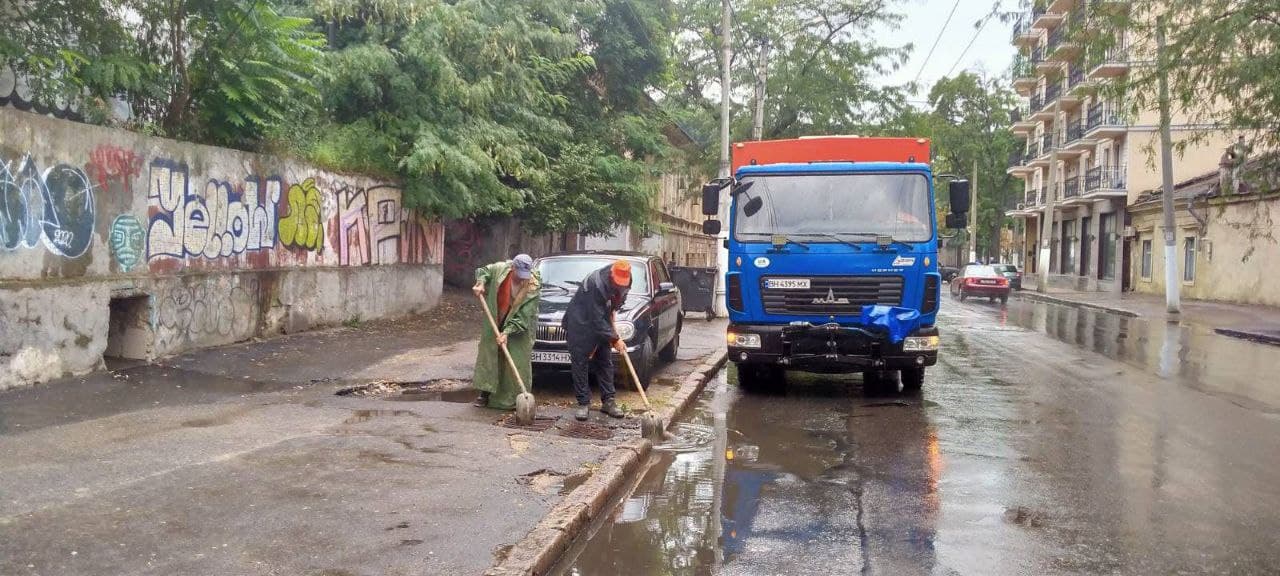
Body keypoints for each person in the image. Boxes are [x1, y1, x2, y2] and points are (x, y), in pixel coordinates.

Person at [564, 260, 631, 421]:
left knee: (605, 360)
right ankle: (583, 403)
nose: (621, 285)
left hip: (602, 318)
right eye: (618, 283)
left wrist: (613, 311)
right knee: (580, 362)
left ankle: (608, 401)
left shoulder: (627, 278)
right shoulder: (595, 284)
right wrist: (615, 338)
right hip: (581, 321)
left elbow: (617, 302)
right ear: (611, 275)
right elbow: (596, 319)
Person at [471, 254, 540, 410]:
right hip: (497, 316)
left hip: (519, 323)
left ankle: (514, 397)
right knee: (490, 355)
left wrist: (507, 332)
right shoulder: (500, 269)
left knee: (517, 358)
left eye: (525, 275)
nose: (523, 279)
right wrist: (481, 283)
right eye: (519, 274)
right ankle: (485, 393)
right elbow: (483, 271)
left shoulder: (533, 284)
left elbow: (524, 314)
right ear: (512, 268)